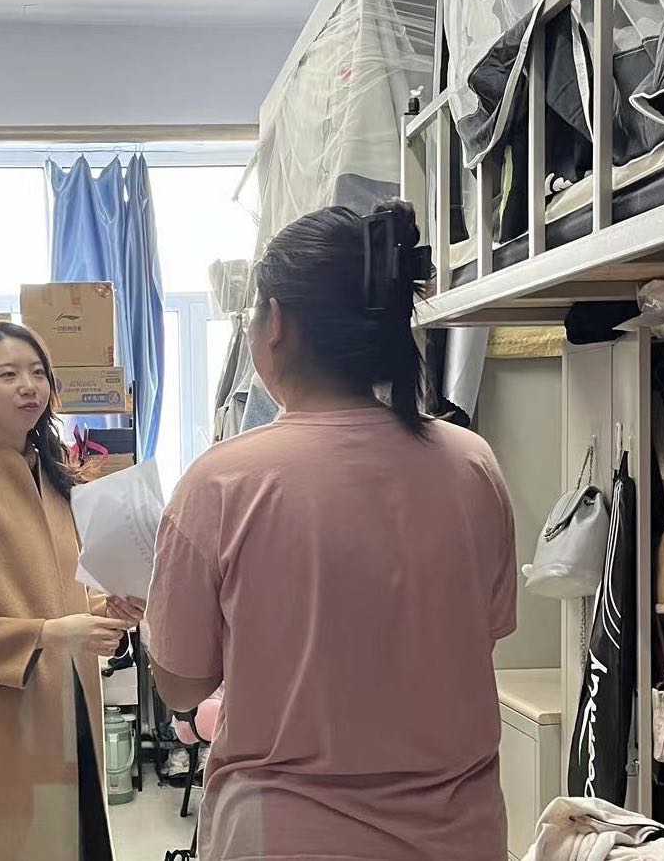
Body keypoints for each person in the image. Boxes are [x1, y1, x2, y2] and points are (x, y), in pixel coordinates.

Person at [146, 201, 518, 861]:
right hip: (459, 834)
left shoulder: (222, 482)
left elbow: (182, 686)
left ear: (277, 323)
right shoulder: (471, 464)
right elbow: (475, 636)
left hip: (285, 835)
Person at [0, 321, 145, 861]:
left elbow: (58, 596)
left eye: (38, 373)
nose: (28, 387)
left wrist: (106, 610)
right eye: (8, 374)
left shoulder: (55, 480)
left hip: (66, 714)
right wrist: (54, 634)